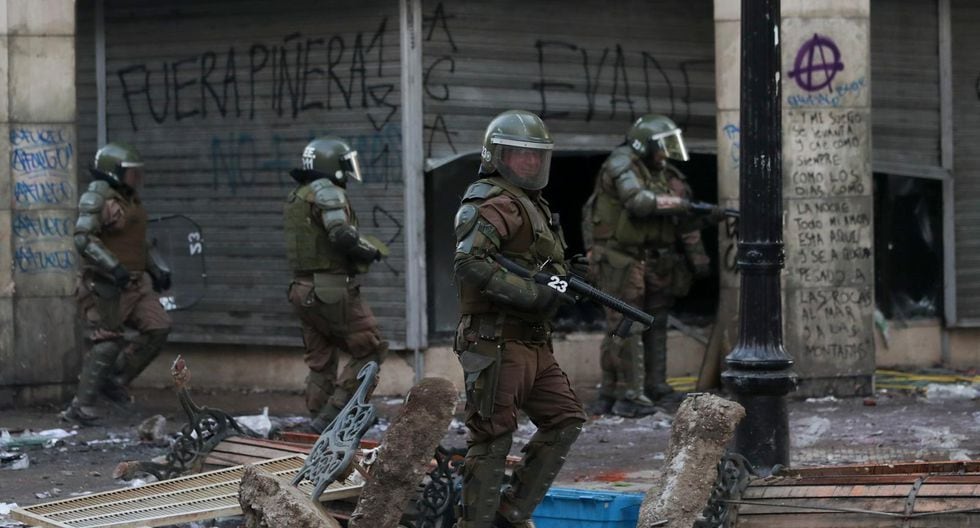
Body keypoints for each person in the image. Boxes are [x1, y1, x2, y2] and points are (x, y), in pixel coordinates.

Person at [453, 110, 587, 528]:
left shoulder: (532, 204)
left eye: (535, 156)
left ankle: (511, 513)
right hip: (495, 339)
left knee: (566, 420)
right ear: (498, 156)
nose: (529, 163)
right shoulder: (492, 200)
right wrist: (534, 295)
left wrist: (570, 285)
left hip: (533, 342)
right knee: (492, 437)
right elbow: (469, 262)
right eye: (519, 155)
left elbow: (546, 274)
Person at [583, 114, 726, 417]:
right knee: (625, 325)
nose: (665, 153)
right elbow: (639, 202)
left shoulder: (662, 172)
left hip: (653, 259)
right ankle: (626, 393)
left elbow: (680, 222)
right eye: (661, 146)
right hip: (620, 258)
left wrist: (708, 215)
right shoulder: (622, 163)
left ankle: (653, 385)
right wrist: (684, 206)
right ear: (644, 145)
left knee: (654, 323)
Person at [283, 136, 389, 433]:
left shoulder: (298, 196)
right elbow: (340, 234)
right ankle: (330, 419)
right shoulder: (327, 192)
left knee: (321, 361)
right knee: (370, 349)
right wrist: (367, 251)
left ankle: (320, 423)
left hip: (301, 290)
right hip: (330, 289)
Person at [64, 142, 172, 424]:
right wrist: (113, 267)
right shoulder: (99, 198)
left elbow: (138, 242)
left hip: (136, 283)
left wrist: (156, 270)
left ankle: (114, 379)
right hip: (107, 285)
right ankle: (81, 405)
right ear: (113, 172)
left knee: (158, 327)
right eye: (130, 173)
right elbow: (83, 239)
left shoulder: (129, 198)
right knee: (109, 340)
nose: (136, 179)